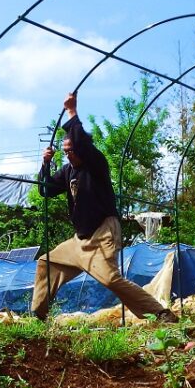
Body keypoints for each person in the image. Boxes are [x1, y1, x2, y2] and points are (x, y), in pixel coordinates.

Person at [31, 92, 177, 323]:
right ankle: (39, 317)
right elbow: (45, 190)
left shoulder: (95, 163)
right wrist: (45, 165)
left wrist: (72, 112)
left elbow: (81, 142)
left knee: (110, 279)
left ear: (82, 148)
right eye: (65, 151)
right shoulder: (69, 170)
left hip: (102, 232)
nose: (68, 155)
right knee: (47, 263)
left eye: (71, 150)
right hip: (80, 240)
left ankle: (161, 314)